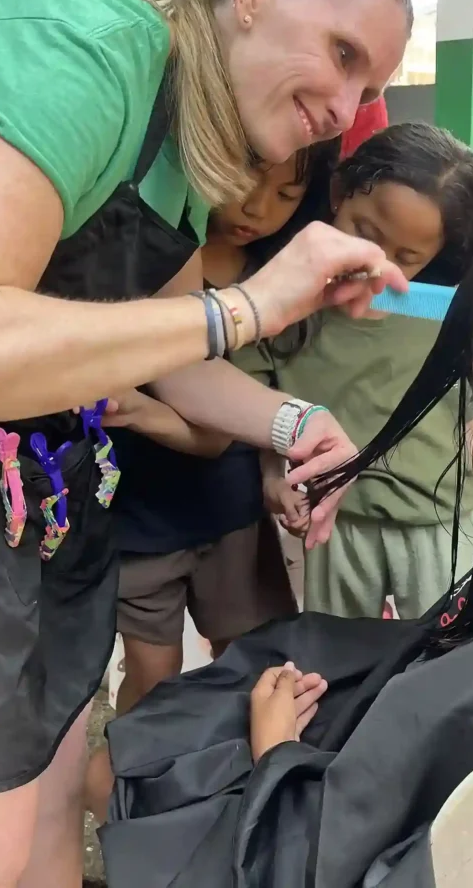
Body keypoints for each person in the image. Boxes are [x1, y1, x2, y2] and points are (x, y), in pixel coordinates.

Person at [0, 0, 412, 888]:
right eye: (342, 53)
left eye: (370, 86)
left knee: (59, 775)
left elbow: (169, 355)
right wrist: (246, 307)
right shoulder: (94, 57)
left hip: (42, 480)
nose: (345, 108)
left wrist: (294, 421)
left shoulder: (182, 156)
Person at [98, 200, 473, 888]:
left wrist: (277, 754)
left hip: (301, 824)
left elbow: (302, 864)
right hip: (424, 755)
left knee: (114, 772)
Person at [104, 142, 337, 715]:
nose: (256, 208)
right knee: (153, 682)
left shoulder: (283, 284)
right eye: (246, 180)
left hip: (232, 512)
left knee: (258, 665)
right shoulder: (148, 256)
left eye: (286, 194)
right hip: (138, 520)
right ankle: (131, 765)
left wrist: (273, 468)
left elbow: (236, 417)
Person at [260, 123, 473, 618]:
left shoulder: (453, 313)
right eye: (365, 232)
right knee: (335, 648)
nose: (376, 264)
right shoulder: (283, 302)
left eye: (408, 257)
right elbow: (252, 393)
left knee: (447, 649)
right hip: (337, 520)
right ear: (338, 193)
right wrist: (270, 473)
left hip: (441, 520)